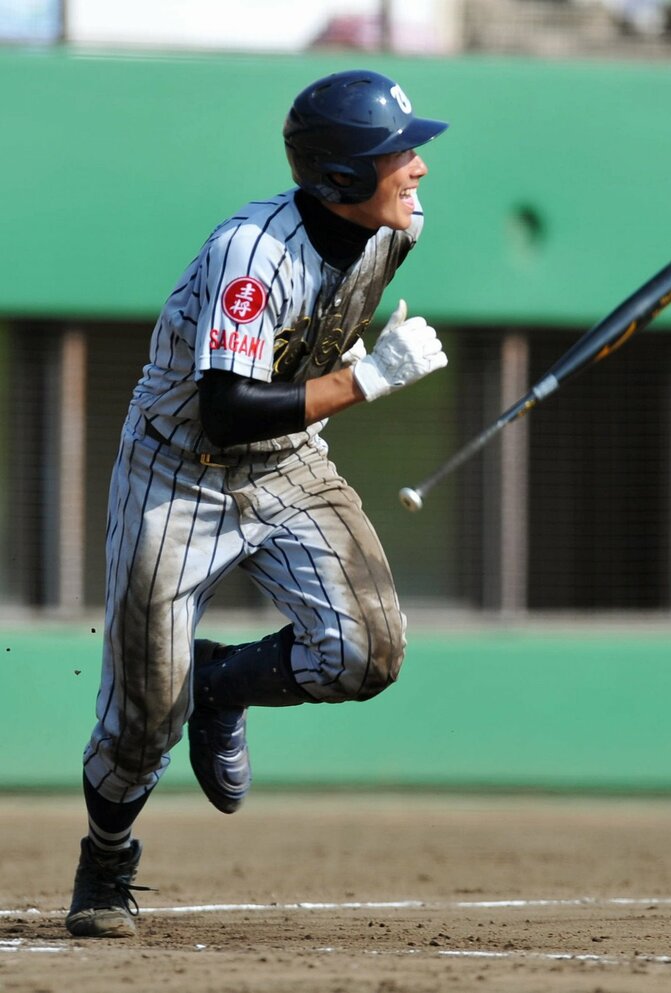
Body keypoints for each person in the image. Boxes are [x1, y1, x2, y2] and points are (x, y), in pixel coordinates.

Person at [65, 68, 449, 938]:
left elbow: (294, 374)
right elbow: (226, 408)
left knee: (367, 652)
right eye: (399, 153)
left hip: (287, 463)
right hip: (179, 468)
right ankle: (106, 859)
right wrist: (366, 378)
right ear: (342, 179)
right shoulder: (253, 253)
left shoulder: (400, 228)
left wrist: (357, 367)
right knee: (141, 722)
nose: (418, 166)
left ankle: (221, 683)